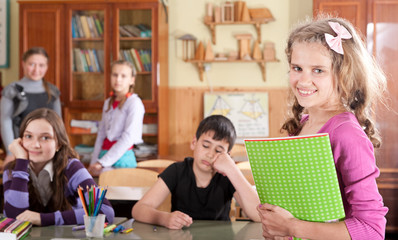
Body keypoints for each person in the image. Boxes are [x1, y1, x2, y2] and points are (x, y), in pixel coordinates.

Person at [257, 15, 388, 240]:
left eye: (318, 70)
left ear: (343, 73)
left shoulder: (347, 134)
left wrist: (291, 227)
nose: (303, 81)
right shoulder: (302, 125)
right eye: (297, 68)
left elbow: (372, 231)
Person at [132, 115, 260, 229]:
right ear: (194, 142)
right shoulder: (177, 171)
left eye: (219, 150)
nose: (210, 154)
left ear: (227, 155)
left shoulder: (227, 176)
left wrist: (232, 169)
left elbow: (259, 215)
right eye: (205, 146)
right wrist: (164, 218)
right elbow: (138, 210)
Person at [2, 108, 114, 226]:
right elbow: (14, 217)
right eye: (28, 136)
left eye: (45, 138)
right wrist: (21, 162)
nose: (35, 145)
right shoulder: (13, 169)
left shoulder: (72, 167)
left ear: (58, 144)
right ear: (20, 141)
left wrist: (42, 219)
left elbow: (105, 212)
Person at [1, 47, 61, 169]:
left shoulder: (53, 91)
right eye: (32, 64)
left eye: (41, 65)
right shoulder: (12, 90)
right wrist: (11, 152)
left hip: (47, 152)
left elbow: (58, 124)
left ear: (47, 67)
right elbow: (5, 121)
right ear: (23, 64)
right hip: (21, 150)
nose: (36, 69)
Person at [88, 60, 145, 176]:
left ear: (132, 80)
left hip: (122, 159)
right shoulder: (108, 102)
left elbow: (127, 138)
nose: (118, 79)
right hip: (103, 157)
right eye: (115, 75)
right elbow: (101, 134)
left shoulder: (134, 103)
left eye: (123, 76)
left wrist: (102, 163)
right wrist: (94, 162)